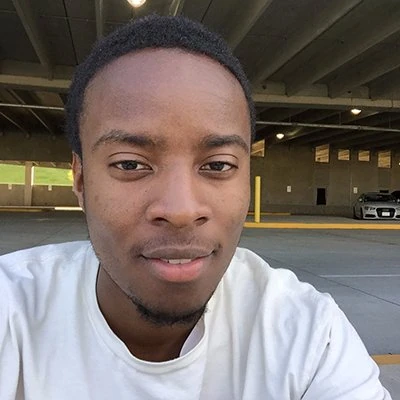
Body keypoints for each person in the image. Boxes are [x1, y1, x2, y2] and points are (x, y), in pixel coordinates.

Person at [0, 15, 392, 400]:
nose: (181, 210)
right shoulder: (11, 311)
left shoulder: (309, 338)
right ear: (81, 180)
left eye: (218, 165)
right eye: (130, 164)